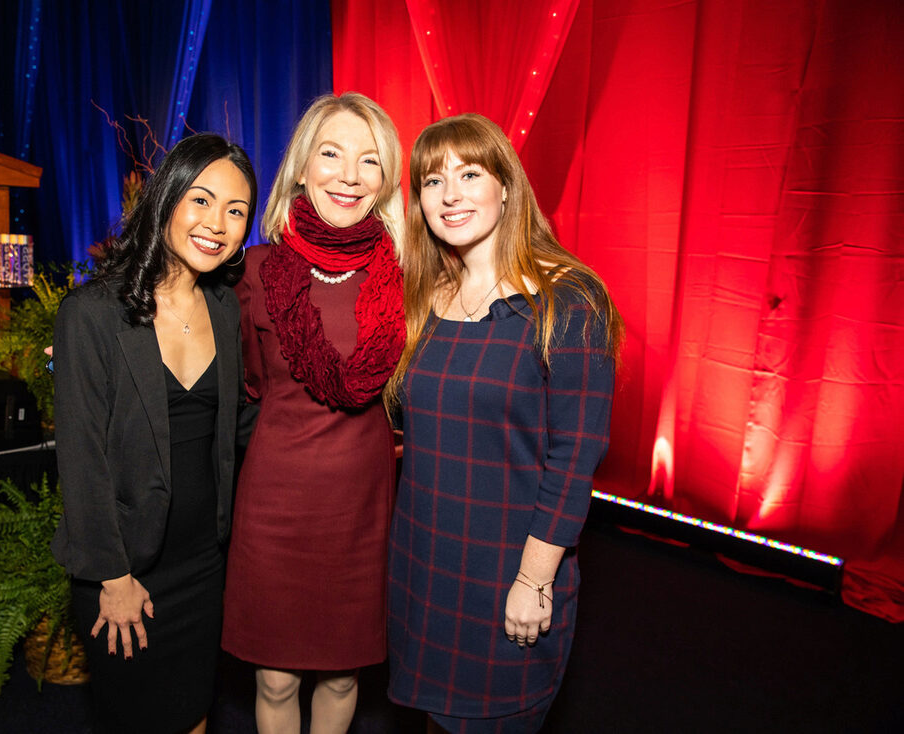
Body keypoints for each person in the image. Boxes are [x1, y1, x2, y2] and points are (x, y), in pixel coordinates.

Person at [385, 114, 623, 733]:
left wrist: (533, 580)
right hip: (426, 563)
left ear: (507, 187)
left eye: (469, 174)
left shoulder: (567, 303)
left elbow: (575, 459)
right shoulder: (425, 300)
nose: (451, 195)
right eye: (433, 182)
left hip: (509, 568)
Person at [51, 133, 258, 734]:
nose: (216, 223)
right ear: (167, 199)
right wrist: (110, 578)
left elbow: (240, 424)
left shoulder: (226, 308)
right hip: (127, 570)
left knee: (194, 714)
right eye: (201, 199)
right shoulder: (91, 313)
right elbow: (81, 459)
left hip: (204, 565)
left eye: (236, 210)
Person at [221, 92, 406, 733]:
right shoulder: (254, 272)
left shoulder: (407, 275)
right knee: (273, 678)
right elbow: (243, 381)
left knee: (341, 671)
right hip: (276, 499)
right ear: (302, 165)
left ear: (387, 180)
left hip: (360, 502)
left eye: (369, 160)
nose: (349, 176)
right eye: (331, 154)